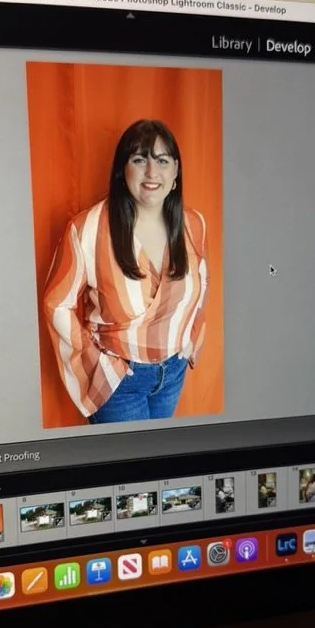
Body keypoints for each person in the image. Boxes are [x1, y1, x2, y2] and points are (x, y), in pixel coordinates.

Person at [44, 119, 209, 424]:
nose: (152, 171)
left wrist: (191, 336)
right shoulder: (87, 229)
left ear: (176, 171)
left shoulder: (194, 225)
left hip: (173, 374)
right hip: (120, 384)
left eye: (162, 160)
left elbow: (203, 283)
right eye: (139, 159)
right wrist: (97, 365)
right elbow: (57, 304)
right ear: (123, 170)